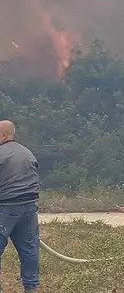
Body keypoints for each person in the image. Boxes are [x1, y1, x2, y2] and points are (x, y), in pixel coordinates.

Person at [0, 121, 40, 293]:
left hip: (6, 207)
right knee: (29, 249)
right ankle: (31, 288)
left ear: (3, 135)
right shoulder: (28, 153)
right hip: (29, 207)